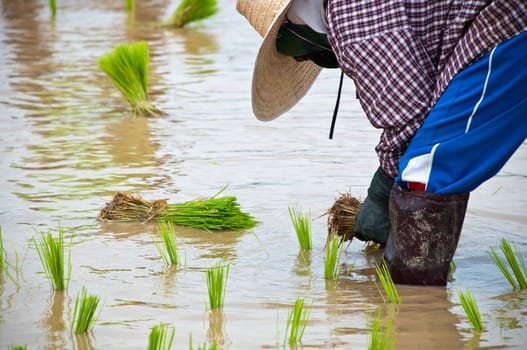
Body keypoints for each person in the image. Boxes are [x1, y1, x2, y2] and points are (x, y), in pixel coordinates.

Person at [237, 0, 527, 286]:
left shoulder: (351, 16)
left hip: (507, 27)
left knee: (425, 174)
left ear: (296, 23)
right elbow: (424, 104)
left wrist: (381, 194)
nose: (301, 59)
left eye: (290, 50)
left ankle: (414, 310)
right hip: (499, 26)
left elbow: (410, 118)